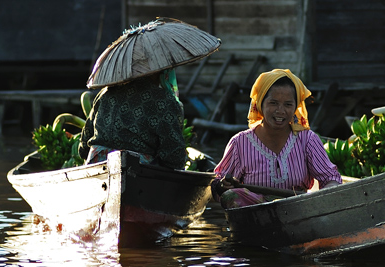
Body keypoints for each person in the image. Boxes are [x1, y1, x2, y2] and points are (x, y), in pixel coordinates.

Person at [211, 69, 342, 209]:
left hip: (298, 209)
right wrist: (223, 185)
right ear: (261, 104)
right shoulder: (240, 143)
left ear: (295, 107)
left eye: (288, 104)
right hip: (255, 213)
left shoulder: (307, 140)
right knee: (232, 196)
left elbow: (331, 178)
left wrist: (322, 197)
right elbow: (217, 183)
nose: (280, 111)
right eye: (273, 103)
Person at [79, 68, 188, 170]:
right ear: (160, 71)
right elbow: (174, 157)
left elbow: (84, 147)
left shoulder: (105, 93)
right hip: (140, 173)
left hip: (96, 168)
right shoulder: (163, 100)